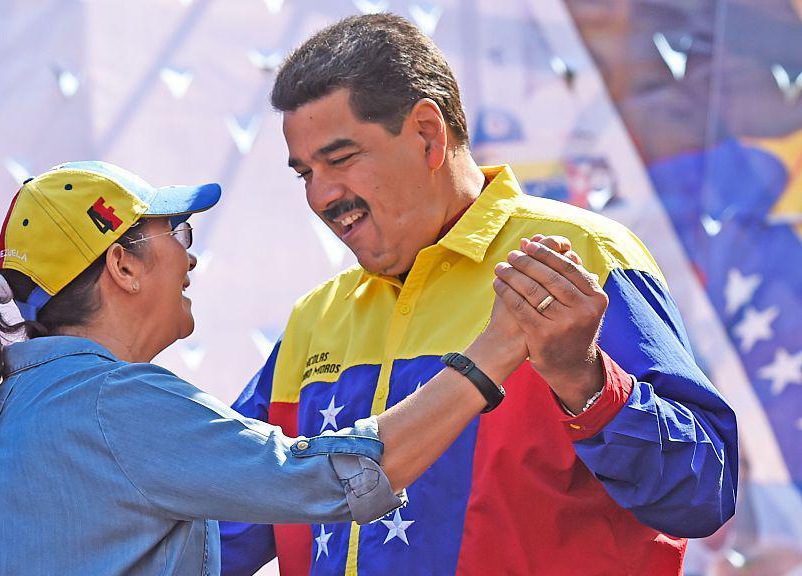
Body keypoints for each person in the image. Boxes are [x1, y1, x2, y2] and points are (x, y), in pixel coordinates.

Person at [0, 160, 581, 575]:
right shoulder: (114, 405)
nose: (191, 255)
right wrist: (494, 351)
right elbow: (337, 476)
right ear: (123, 266)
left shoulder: (6, 410)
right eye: (177, 231)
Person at [219, 14, 738, 576]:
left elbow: (702, 492)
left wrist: (586, 384)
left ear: (427, 134)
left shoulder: (580, 253)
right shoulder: (315, 318)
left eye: (341, 159)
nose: (322, 196)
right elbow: (217, 532)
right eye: (304, 174)